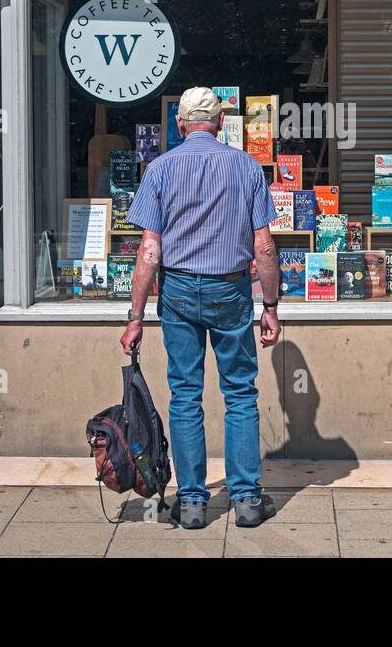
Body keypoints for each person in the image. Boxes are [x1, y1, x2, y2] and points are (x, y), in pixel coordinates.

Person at [121, 86, 283, 530]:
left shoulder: (160, 169)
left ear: (180, 123)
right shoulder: (246, 167)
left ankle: (192, 503)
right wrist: (270, 306)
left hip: (176, 291)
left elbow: (149, 250)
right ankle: (247, 499)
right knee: (240, 392)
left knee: (186, 395)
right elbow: (264, 248)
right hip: (231, 291)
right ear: (220, 123)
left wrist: (135, 317)